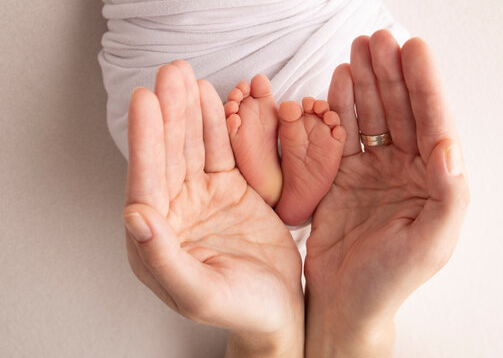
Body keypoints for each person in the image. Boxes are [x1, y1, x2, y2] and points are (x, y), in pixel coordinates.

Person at [121, 29, 470, 357]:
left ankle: (274, 191)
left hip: (200, 175)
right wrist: (341, 329)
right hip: (353, 172)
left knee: (376, 70)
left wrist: (270, 340)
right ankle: (278, 195)